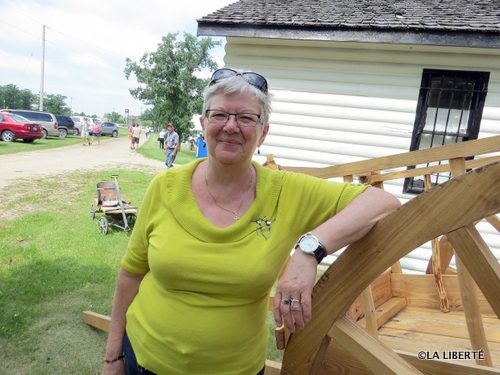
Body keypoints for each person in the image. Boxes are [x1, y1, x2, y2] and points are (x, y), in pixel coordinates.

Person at [102, 68, 401, 375]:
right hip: (144, 359)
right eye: (220, 115)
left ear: (263, 132)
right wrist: (112, 358)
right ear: (204, 124)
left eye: (246, 118)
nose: (231, 127)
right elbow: (131, 275)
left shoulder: (287, 191)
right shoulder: (165, 187)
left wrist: (310, 250)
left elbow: (385, 203)